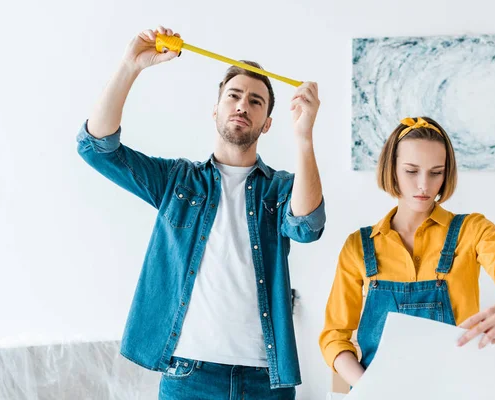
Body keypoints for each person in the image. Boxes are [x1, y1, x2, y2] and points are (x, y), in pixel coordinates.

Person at [77, 25, 325, 400]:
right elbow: (97, 148)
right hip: (188, 374)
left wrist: (304, 136)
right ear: (215, 108)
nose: (243, 105)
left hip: (265, 380)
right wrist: (130, 65)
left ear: (268, 122)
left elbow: (307, 227)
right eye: (234, 95)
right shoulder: (178, 181)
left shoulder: (280, 188)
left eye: (256, 101)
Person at [319, 117, 495, 386]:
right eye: (411, 171)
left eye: (436, 172)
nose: (424, 185)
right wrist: (372, 390)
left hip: (454, 389)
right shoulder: (358, 246)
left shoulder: (472, 229)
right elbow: (334, 337)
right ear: (393, 170)